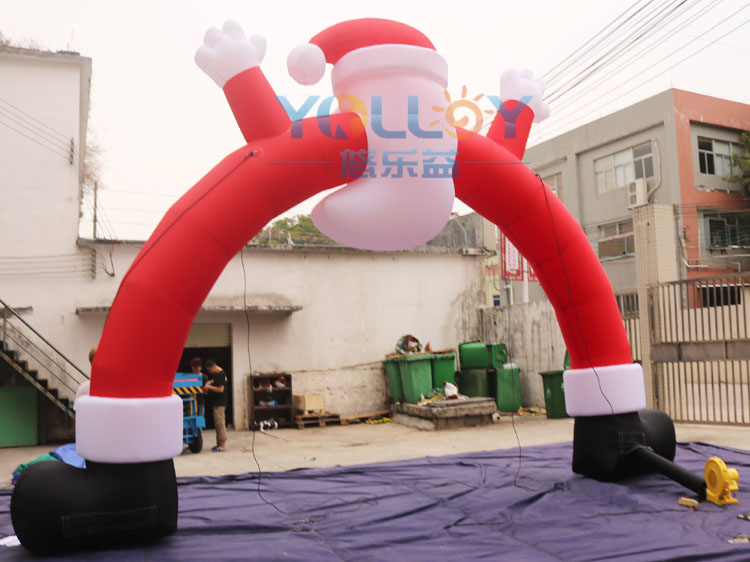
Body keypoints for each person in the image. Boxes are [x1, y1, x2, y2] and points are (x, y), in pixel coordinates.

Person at [203, 359, 227, 452]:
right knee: (217, 423)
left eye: (209, 370)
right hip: (217, 402)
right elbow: (218, 381)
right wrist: (210, 382)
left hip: (220, 403)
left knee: (220, 423)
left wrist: (209, 387)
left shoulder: (221, 374)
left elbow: (221, 389)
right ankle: (219, 444)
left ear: (213, 367)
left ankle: (223, 445)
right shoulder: (218, 374)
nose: (209, 372)